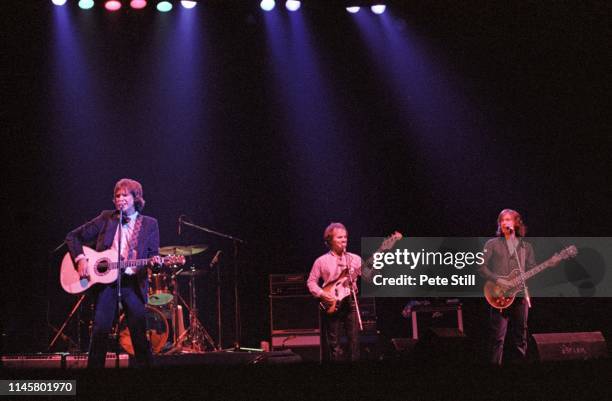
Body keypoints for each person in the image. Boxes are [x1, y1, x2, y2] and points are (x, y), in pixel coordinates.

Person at [65, 178, 161, 368]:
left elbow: (153, 256)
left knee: (139, 335)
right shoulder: (106, 218)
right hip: (107, 284)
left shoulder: (150, 224)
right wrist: (81, 259)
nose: (120, 199)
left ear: (136, 198)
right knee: (100, 331)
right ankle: (92, 382)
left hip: (132, 284)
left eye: (124, 195)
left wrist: (156, 263)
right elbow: (73, 237)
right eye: (117, 196)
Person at [479, 209, 536, 365]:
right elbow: (481, 267)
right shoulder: (491, 244)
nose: (504, 222)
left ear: (516, 223)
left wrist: (548, 265)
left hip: (519, 296)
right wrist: (498, 280)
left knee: (521, 337)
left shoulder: (526, 247)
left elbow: (532, 269)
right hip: (499, 295)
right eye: (502, 220)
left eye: (508, 219)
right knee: (497, 338)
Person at [307, 222, 362, 362]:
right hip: (331, 303)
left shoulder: (354, 259)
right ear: (330, 240)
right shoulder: (321, 261)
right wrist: (322, 294)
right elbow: (311, 282)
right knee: (334, 345)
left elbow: (369, 275)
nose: (344, 240)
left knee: (354, 343)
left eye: (345, 237)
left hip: (350, 301)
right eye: (339, 237)